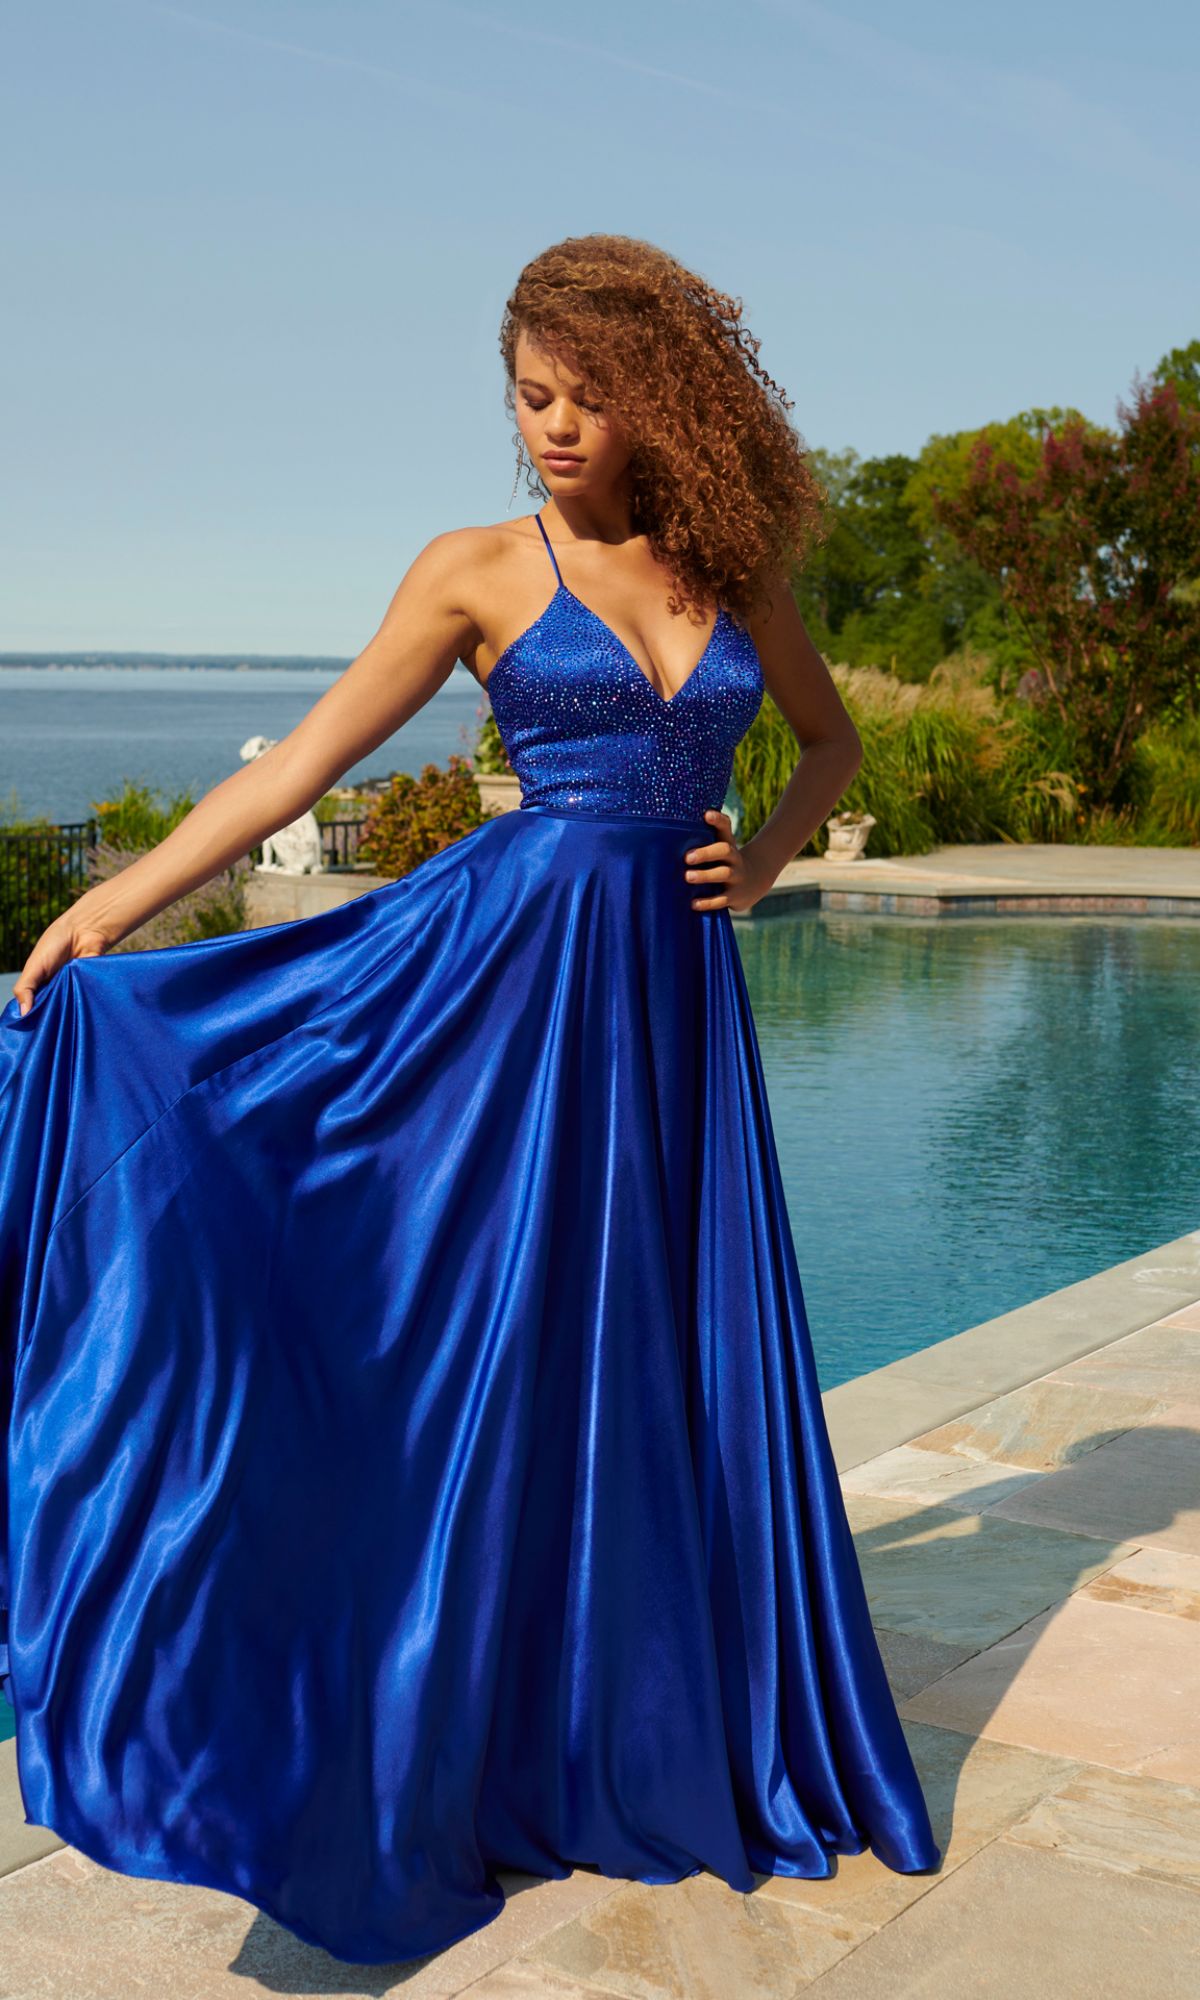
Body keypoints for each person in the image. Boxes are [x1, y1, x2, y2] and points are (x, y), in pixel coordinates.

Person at [0, 233, 940, 1967]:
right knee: (475, 1348)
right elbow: (300, 762)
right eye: (530, 397)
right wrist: (113, 906)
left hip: (670, 1012)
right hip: (499, 1003)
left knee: (655, 1354)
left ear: (665, 400)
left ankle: (636, 1717)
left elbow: (827, 744)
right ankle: (436, 1714)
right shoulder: (476, 568)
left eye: (588, 396)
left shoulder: (734, 571)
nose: (557, 427)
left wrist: (770, 859)